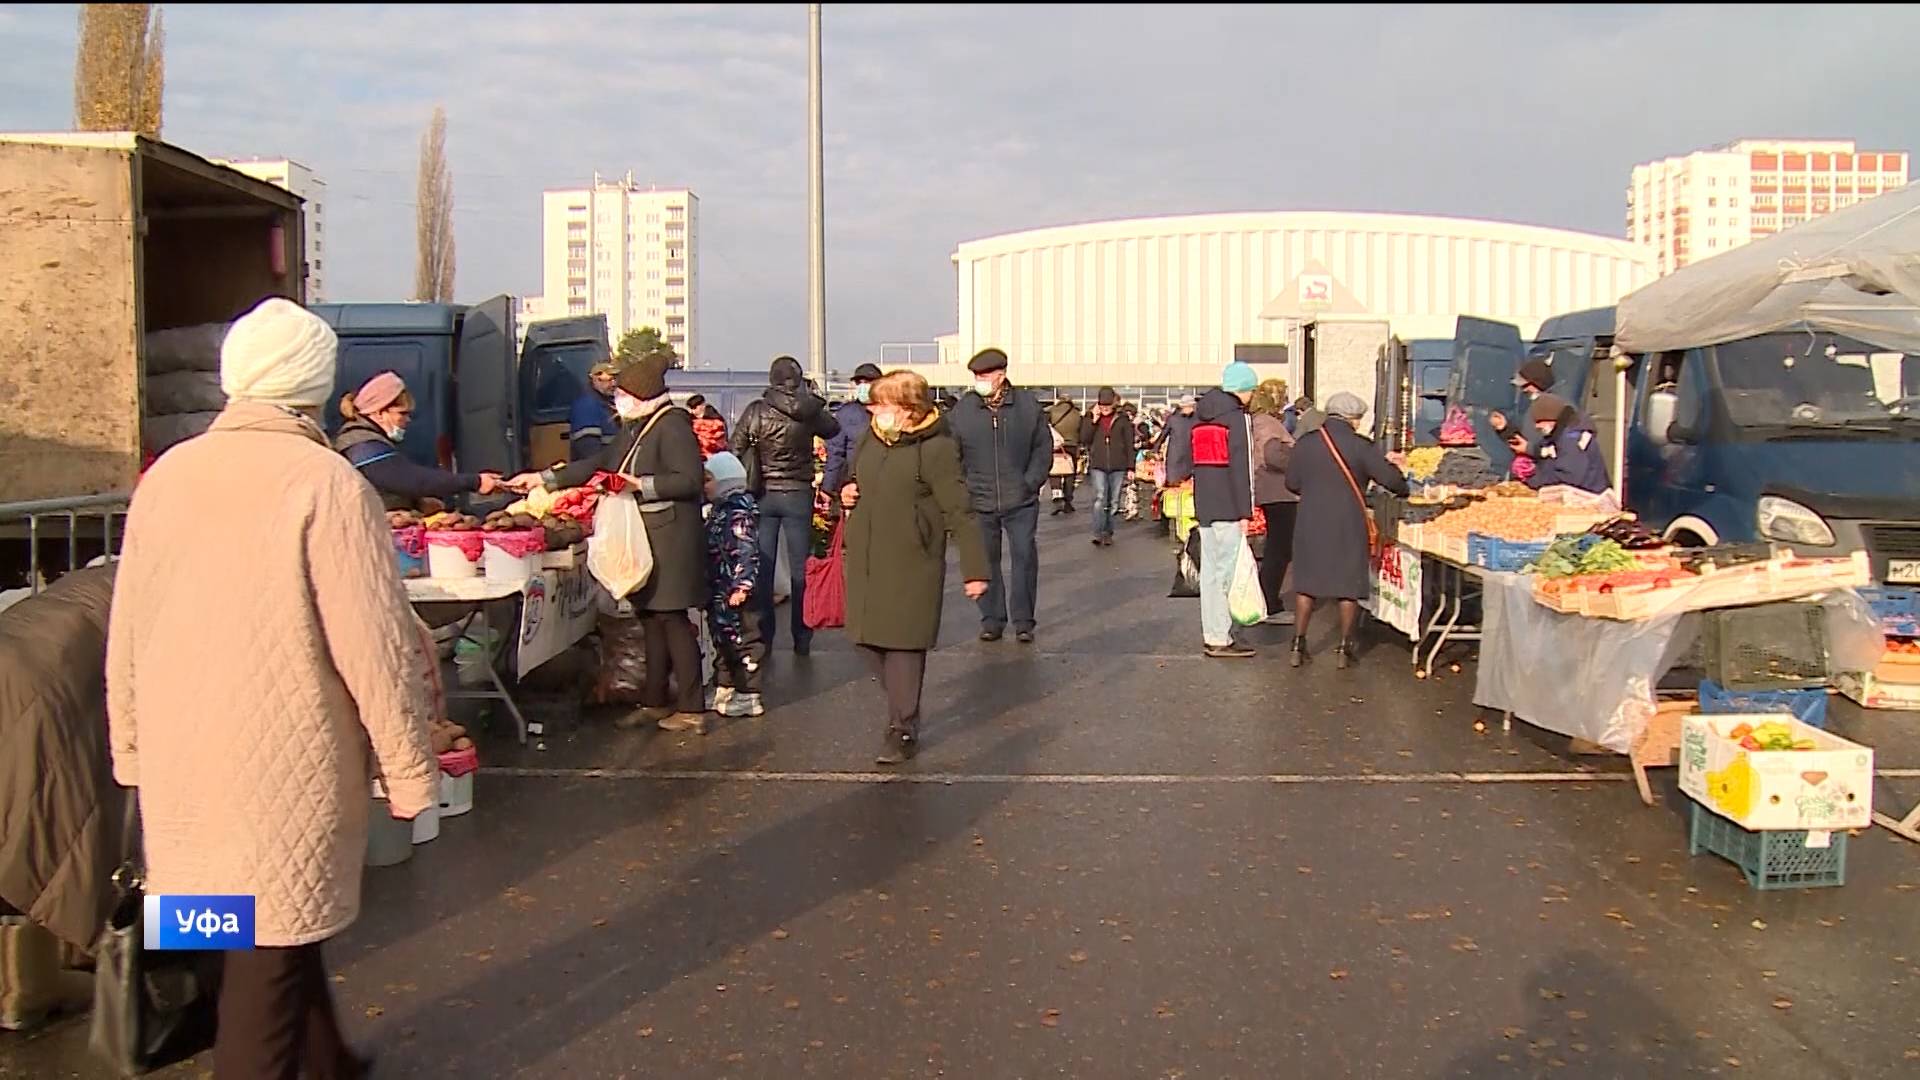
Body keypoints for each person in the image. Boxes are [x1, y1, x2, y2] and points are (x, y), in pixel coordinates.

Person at [107, 298, 436, 1078]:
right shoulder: (324, 482)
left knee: (245, 944)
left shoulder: (166, 478)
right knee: (266, 961)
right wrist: (408, 768)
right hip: (282, 772)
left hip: (182, 772)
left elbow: (127, 625)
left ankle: (329, 1064)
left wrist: (130, 745)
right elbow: (374, 646)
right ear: (312, 385)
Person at [521, 354, 710, 732]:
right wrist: (545, 480)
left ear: (641, 395)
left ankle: (692, 708)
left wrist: (640, 485)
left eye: (622, 393)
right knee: (650, 620)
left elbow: (689, 481)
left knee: (672, 620)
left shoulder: (672, 426)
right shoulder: (633, 428)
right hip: (644, 538)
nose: (617, 399)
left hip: (672, 539)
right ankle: (654, 700)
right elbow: (598, 464)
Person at [839, 371, 989, 765]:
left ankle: (902, 727)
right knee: (864, 638)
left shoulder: (937, 449)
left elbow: (959, 509)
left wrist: (975, 570)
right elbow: (859, 479)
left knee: (903, 644)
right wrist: (849, 491)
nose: (875, 411)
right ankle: (901, 705)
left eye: (884, 405)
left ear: (909, 409)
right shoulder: (872, 437)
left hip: (912, 559)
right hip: (868, 557)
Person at [1286, 392, 1409, 669]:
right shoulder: (1360, 445)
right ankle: (1344, 649)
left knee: (1306, 584)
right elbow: (1392, 481)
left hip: (1310, 520)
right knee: (1348, 585)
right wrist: (1400, 477)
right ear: (1353, 419)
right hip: (1348, 521)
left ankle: (1297, 644)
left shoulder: (1305, 443)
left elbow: (1292, 482)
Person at [731, 356, 841, 656]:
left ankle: (764, 636)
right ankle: (802, 636)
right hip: (799, 493)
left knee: (763, 565)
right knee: (800, 566)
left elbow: (734, 447)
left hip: (763, 492)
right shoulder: (808, 411)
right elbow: (833, 429)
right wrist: (813, 401)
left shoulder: (757, 410)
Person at [947, 348, 1051, 644]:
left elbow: (1042, 450)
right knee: (985, 560)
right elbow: (952, 453)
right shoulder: (964, 410)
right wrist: (963, 487)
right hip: (979, 500)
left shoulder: (1027, 406)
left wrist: (1029, 483)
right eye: (976, 376)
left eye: (984, 375)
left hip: (1020, 499)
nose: (980, 381)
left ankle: (1023, 621)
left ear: (1001, 375)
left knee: (1024, 558)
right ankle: (992, 619)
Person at [1169, 362, 1260, 659]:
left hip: (1206, 503)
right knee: (1228, 571)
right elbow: (1242, 465)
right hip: (1229, 505)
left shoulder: (1200, 416)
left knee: (1210, 571)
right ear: (1244, 390)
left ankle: (1213, 631)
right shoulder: (1237, 419)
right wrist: (1246, 510)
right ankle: (1222, 636)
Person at [333, 371, 507, 509]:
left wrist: (417, 503)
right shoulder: (360, 443)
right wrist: (475, 482)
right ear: (379, 413)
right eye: (402, 413)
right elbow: (410, 479)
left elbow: (388, 485)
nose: (407, 420)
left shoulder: (365, 439)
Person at [700, 451, 765, 719]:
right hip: (721, 589)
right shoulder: (719, 510)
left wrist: (743, 585)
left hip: (736, 590)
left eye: (708, 480)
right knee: (723, 638)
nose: (704, 487)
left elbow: (747, 550)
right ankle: (725, 685)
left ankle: (749, 694)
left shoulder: (738, 513)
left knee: (744, 640)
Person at [1248, 378, 1299, 625]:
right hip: (1279, 492)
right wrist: (1297, 460)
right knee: (1279, 548)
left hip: (1270, 490)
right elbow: (1272, 455)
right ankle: (1270, 603)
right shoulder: (1268, 424)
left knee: (1276, 547)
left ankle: (1265, 598)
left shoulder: (1258, 422)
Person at [1521, 393, 1611, 493]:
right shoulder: (1559, 434)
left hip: (1586, 499)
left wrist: (1531, 480)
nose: (1536, 427)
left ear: (1551, 417)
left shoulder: (1571, 439)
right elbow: (1550, 452)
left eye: (1539, 421)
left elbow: (1568, 478)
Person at [1082, 387, 1135, 547]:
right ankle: (1098, 532)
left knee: (1113, 502)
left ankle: (1108, 532)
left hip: (1118, 465)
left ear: (1113, 404)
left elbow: (1129, 444)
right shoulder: (1091, 417)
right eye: (1101, 405)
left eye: (1107, 405)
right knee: (1100, 498)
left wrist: (1131, 467)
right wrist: (1093, 421)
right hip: (1098, 464)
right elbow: (1084, 438)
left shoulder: (1122, 419)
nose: (1104, 408)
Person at [823, 362, 883, 501]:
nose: (863, 386)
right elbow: (836, 452)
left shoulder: (892, 411)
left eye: (868, 381)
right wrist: (829, 487)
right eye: (859, 382)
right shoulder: (847, 413)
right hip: (855, 485)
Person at [569, 361, 621, 461]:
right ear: (595, 380)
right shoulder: (586, 406)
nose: (614, 384)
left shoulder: (608, 403)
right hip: (598, 471)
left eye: (614, 379)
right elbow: (589, 451)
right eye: (609, 380)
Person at [1046, 393, 1086, 514]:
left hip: (1055, 445)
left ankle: (1057, 496)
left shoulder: (1052, 411)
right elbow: (1081, 432)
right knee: (1069, 473)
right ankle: (1068, 500)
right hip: (1072, 447)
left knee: (1055, 472)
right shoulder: (1076, 413)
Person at [687, 394, 730, 459]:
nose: (692, 411)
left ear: (702, 405)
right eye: (690, 408)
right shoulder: (688, 420)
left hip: (714, 458)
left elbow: (720, 442)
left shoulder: (717, 421)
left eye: (694, 408)